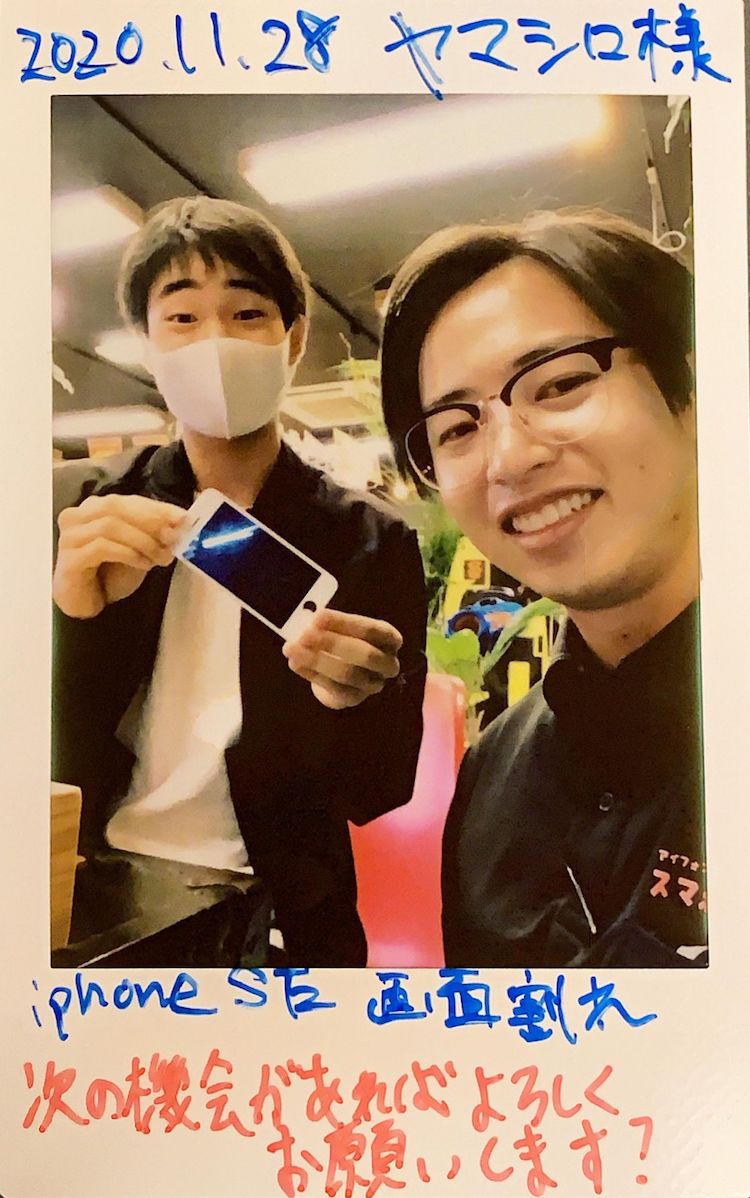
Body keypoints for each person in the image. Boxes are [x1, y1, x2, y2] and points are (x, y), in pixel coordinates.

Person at [52, 195, 427, 967]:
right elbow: (48, 765)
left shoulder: (368, 540)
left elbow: (381, 790)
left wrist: (358, 699)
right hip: (102, 901)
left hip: (284, 916)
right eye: (182, 318)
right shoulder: (88, 514)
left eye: (247, 313)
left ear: (295, 337)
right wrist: (72, 617)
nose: (214, 341)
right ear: (147, 345)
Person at [380, 208, 707, 968]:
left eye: (559, 384)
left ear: (695, 388)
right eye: (456, 428)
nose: (509, 458)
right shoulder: (491, 777)